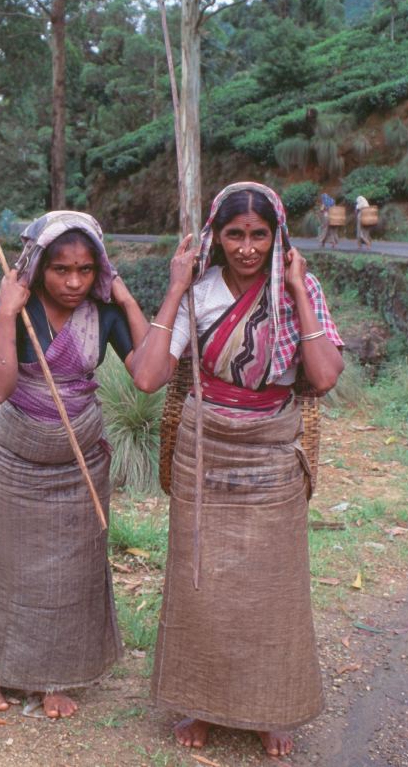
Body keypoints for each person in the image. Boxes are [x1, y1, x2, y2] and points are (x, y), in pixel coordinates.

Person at [131, 182, 344, 757]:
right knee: (202, 585)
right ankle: (200, 705)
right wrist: (176, 288)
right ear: (215, 237)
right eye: (234, 235)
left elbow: (323, 377)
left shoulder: (302, 290)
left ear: (277, 236)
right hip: (207, 450)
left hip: (272, 451)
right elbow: (148, 377)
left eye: (258, 235)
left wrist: (297, 288)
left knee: (272, 592)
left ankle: (270, 708)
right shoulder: (198, 293)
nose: (247, 248)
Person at [0, 211, 147, 720]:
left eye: (86, 269)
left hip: (78, 457)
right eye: (61, 269)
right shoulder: (15, 307)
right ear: (39, 266)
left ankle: (55, 675)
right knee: (3, 561)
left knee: (71, 568)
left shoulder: (104, 309)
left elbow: (149, 373)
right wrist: (3, 314)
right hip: (14, 456)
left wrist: (126, 300)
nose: (74, 281)